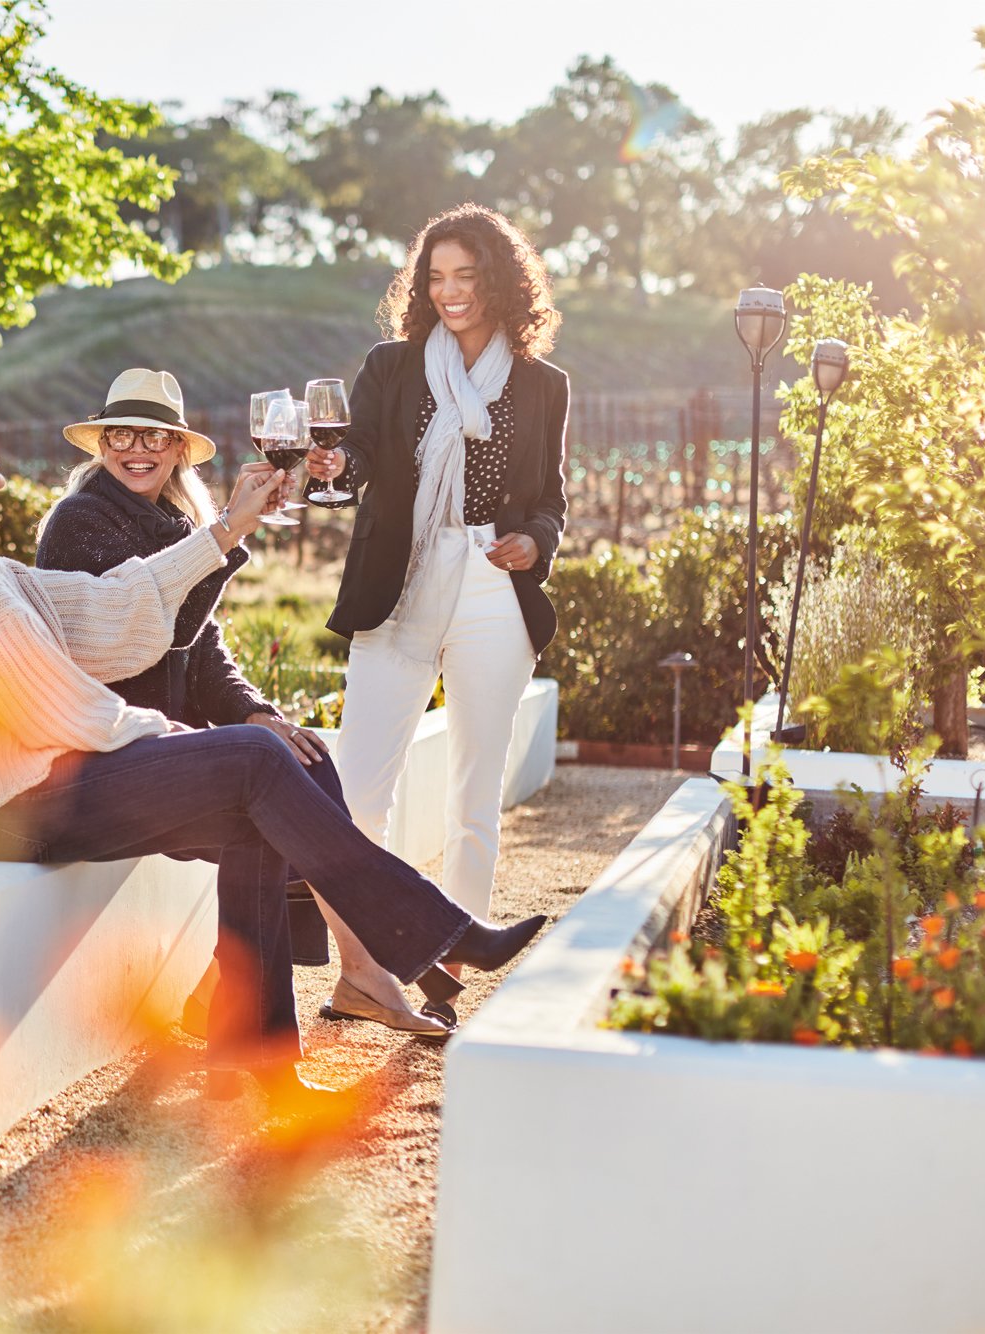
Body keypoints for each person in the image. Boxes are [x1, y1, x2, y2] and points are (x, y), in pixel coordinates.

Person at [0, 390, 546, 1103]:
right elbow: (32, 694)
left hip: (42, 787)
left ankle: (255, 1054)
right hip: (14, 805)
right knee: (255, 760)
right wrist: (164, 733)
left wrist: (228, 529)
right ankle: (439, 934)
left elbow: (110, 612)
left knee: (250, 812)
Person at [35, 368, 447, 1038]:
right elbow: (149, 633)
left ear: (176, 451)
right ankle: (361, 975)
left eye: (154, 436)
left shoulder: (175, 522)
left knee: (305, 758)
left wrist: (257, 713)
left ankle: (333, 979)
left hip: (170, 746)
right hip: (116, 757)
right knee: (288, 807)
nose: (135, 448)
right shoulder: (80, 523)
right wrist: (226, 536)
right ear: (101, 444)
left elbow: (205, 657)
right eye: (120, 434)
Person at [303, 202, 569, 1034]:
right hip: (404, 579)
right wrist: (335, 460)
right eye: (436, 277)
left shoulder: (543, 385)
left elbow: (552, 504)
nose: (450, 292)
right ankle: (366, 968)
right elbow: (363, 458)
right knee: (359, 790)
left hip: (494, 582)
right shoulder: (391, 368)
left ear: (498, 280)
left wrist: (533, 541)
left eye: (465, 275)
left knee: (473, 792)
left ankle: (451, 961)